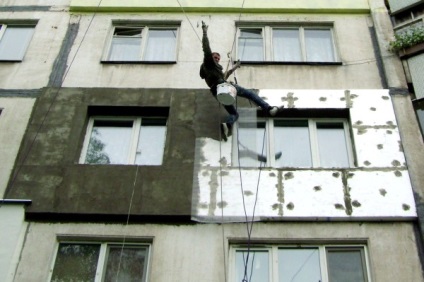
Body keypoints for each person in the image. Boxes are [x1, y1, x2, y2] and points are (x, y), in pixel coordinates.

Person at [199, 21, 281, 141]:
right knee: (250, 94)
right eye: (215, 57)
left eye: (218, 58)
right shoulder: (208, 63)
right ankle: (269, 108)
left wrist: (235, 67)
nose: (217, 59)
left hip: (218, 92)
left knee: (234, 114)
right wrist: (205, 32)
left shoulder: (212, 72)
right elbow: (206, 47)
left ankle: (227, 125)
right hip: (222, 87)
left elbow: (224, 75)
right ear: (210, 57)